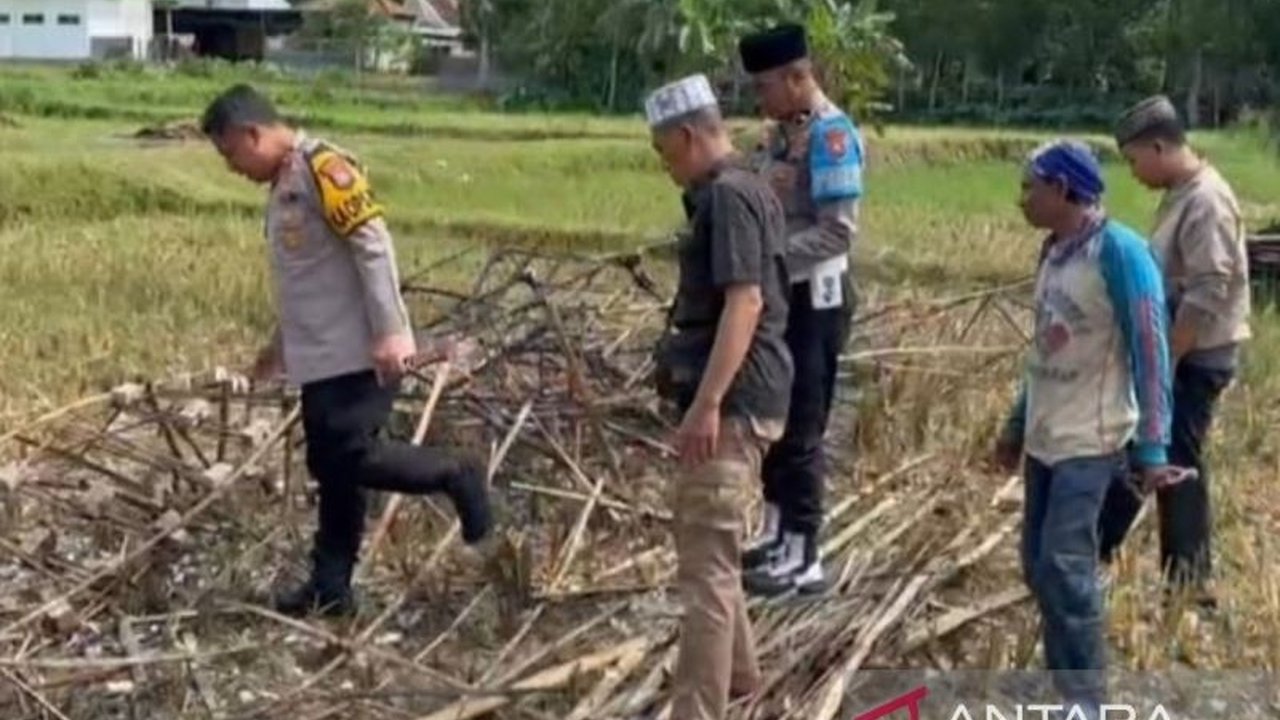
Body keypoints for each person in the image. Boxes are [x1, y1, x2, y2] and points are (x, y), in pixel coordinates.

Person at [199, 84, 492, 618]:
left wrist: (390, 332)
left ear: (252, 133)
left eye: (230, 153)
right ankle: (330, 588)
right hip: (320, 356)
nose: (231, 167)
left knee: (346, 456)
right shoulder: (286, 184)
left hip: (358, 352)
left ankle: (456, 472)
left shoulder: (324, 168)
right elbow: (306, 281)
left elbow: (373, 243)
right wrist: (277, 349)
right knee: (335, 472)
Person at [993, 139, 1189, 717]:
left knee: (1065, 565)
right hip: (1047, 439)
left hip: (1094, 441)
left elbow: (1151, 354)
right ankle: (1064, 677)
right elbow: (1044, 351)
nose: (1022, 198)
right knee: (1037, 565)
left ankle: (1086, 700)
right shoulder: (1054, 254)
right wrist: (1016, 424)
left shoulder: (1122, 254)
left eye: (1031, 187)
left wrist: (1152, 449)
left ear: (1062, 190)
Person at [646, 74, 793, 720]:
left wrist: (707, 403)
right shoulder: (746, 188)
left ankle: (698, 711)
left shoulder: (730, 197)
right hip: (750, 396)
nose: (666, 167)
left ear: (687, 135)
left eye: (664, 152)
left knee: (704, 571)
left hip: (733, 402)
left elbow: (745, 301)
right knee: (715, 556)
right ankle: (741, 685)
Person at [1098, 95, 1251, 604]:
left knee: (1171, 458)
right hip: (1179, 353)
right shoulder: (1182, 192)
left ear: (1160, 147)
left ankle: (1186, 578)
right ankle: (1114, 553)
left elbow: (1209, 290)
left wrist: (1164, 364)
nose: (1134, 172)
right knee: (1156, 454)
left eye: (1135, 159)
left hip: (1196, 355)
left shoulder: (1207, 200)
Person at [736, 23, 864, 596]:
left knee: (804, 422)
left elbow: (837, 232)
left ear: (797, 77)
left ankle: (804, 551)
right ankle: (775, 531)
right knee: (774, 415)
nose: (760, 99)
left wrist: (769, 260)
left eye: (765, 86)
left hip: (815, 298)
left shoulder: (832, 137)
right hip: (783, 297)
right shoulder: (782, 135)